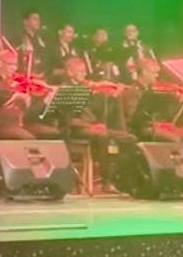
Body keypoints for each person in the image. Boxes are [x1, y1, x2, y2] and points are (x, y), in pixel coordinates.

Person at [59, 57, 137, 188]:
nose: (84, 74)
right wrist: (91, 126)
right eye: (80, 71)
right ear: (70, 72)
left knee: (129, 138)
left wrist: (112, 96)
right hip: (76, 129)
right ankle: (106, 181)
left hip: (92, 127)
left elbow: (96, 110)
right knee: (102, 136)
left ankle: (121, 178)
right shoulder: (65, 89)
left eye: (85, 71)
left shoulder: (87, 87)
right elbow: (68, 119)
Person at [120, 58, 183, 143]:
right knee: (174, 139)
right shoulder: (132, 92)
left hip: (157, 127)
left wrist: (176, 102)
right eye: (154, 73)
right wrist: (154, 122)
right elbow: (134, 118)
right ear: (144, 72)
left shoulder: (151, 90)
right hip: (143, 129)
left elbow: (166, 113)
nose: (156, 76)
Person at [0, 50, 35, 139]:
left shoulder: (14, 81)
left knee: (47, 134)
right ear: (0, 64)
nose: (15, 68)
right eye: (11, 64)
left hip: (20, 123)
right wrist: (14, 95)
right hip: (0, 125)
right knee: (28, 138)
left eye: (16, 65)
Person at [17, 10, 48, 76]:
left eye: (39, 19)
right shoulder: (19, 39)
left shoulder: (40, 39)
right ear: (25, 21)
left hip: (39, 75)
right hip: (23, 75)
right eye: (34, 19)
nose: (38, 22)